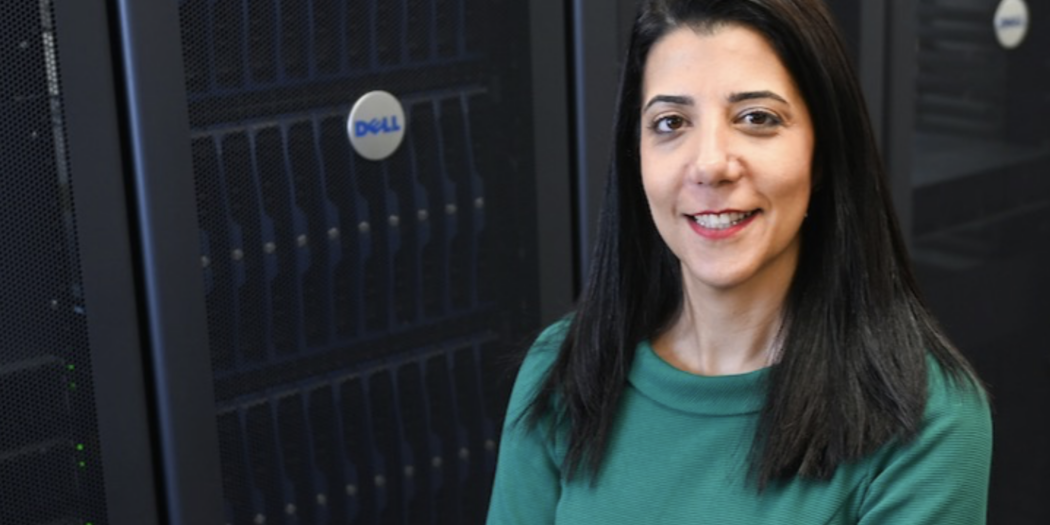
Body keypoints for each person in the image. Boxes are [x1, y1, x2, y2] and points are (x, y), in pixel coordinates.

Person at [486, 0, 992, 523]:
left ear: (822, 153)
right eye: (670, 122)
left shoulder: (925, 419)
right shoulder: (563, 371)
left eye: (756, 118)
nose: (710, 165)